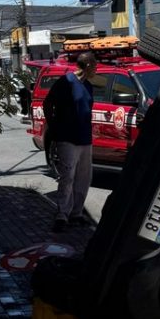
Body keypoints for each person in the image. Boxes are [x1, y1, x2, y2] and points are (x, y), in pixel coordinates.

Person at [44, 51, 96, 232]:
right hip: (67, 138)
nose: (96, 69)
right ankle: (62, 215)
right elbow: (47, 103)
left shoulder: (88, 86)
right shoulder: (65, 82)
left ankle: (77, 213)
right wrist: (54, 126)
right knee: (68, 177)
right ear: (87, 65)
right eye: (94, 65)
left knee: (84, 178)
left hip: (85, 138)